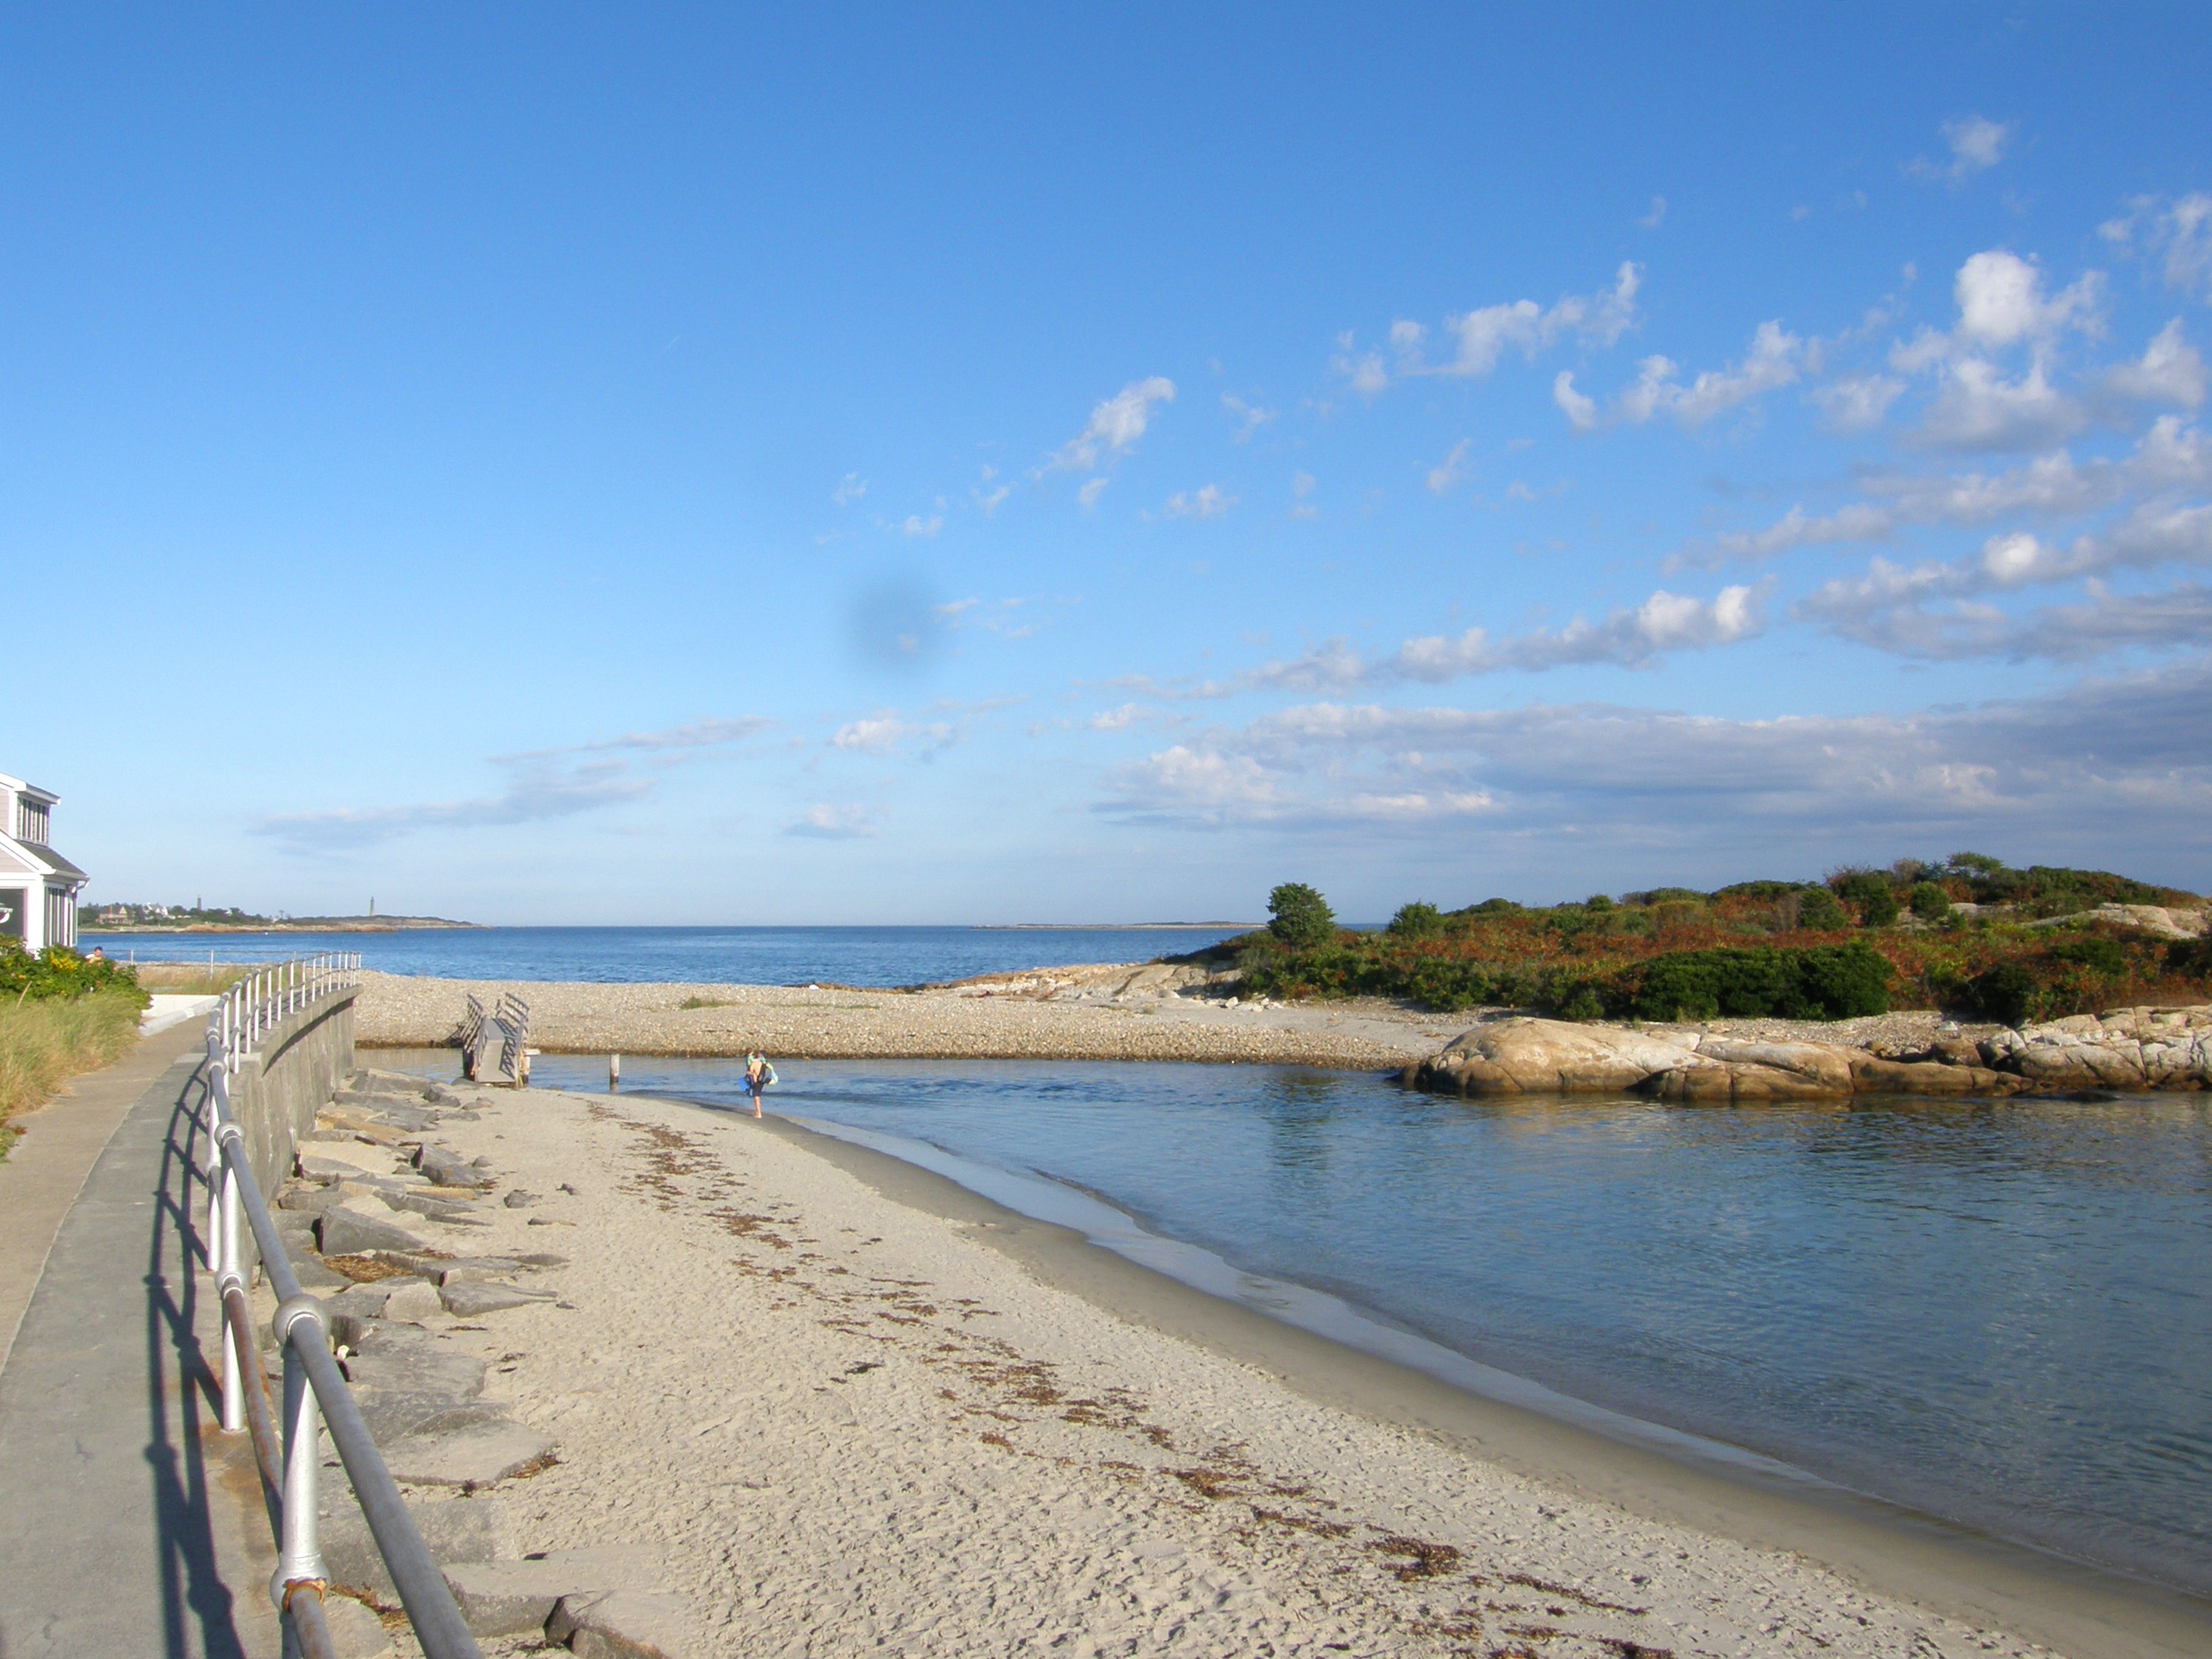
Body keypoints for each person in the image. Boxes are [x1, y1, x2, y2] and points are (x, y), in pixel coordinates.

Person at [744, 1051, 777, 1119]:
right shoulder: (764, 1063)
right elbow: (771, 1068)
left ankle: (758, 1113)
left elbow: (748, 1072)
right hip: (762, 1081)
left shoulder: (754, 1063)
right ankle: (757, 1112)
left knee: (756, 1096)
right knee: (757, 1095)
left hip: (755, 1081)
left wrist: (750, 1075)